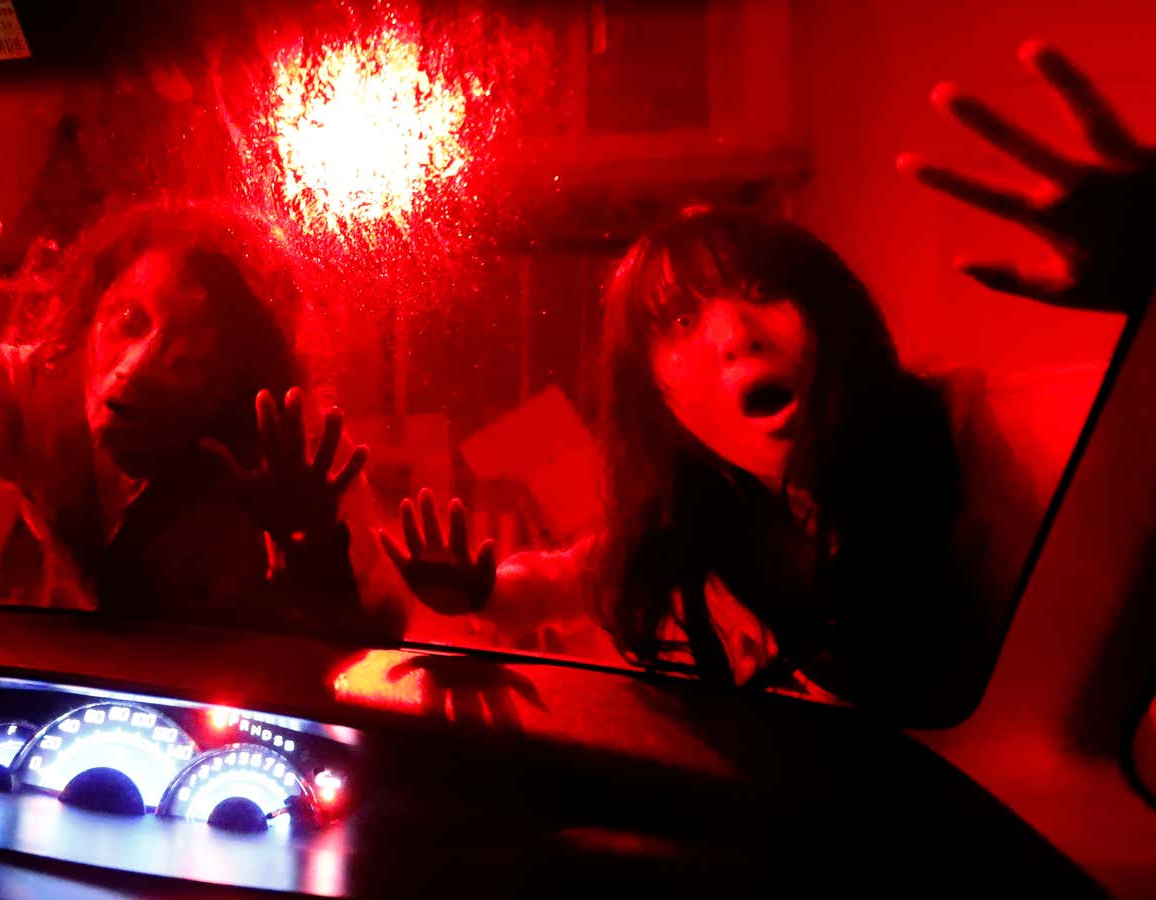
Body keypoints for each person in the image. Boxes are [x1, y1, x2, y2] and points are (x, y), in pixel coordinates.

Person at [381, 41, 1156, 715]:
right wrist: (482, 595)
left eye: (761, 291)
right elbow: (570, 576)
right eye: (680, 321)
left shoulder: (993, 435)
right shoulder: (702, 521)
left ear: (834, 312)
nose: (733, 335)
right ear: (657, 396)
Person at [0, 97, 396, 635]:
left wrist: (311, 542)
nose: (135, 370)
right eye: (130, 322)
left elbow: (375, 643)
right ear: (91, 311)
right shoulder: (26, 391)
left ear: (235, 380)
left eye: (190, 358)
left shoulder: (296, 450)